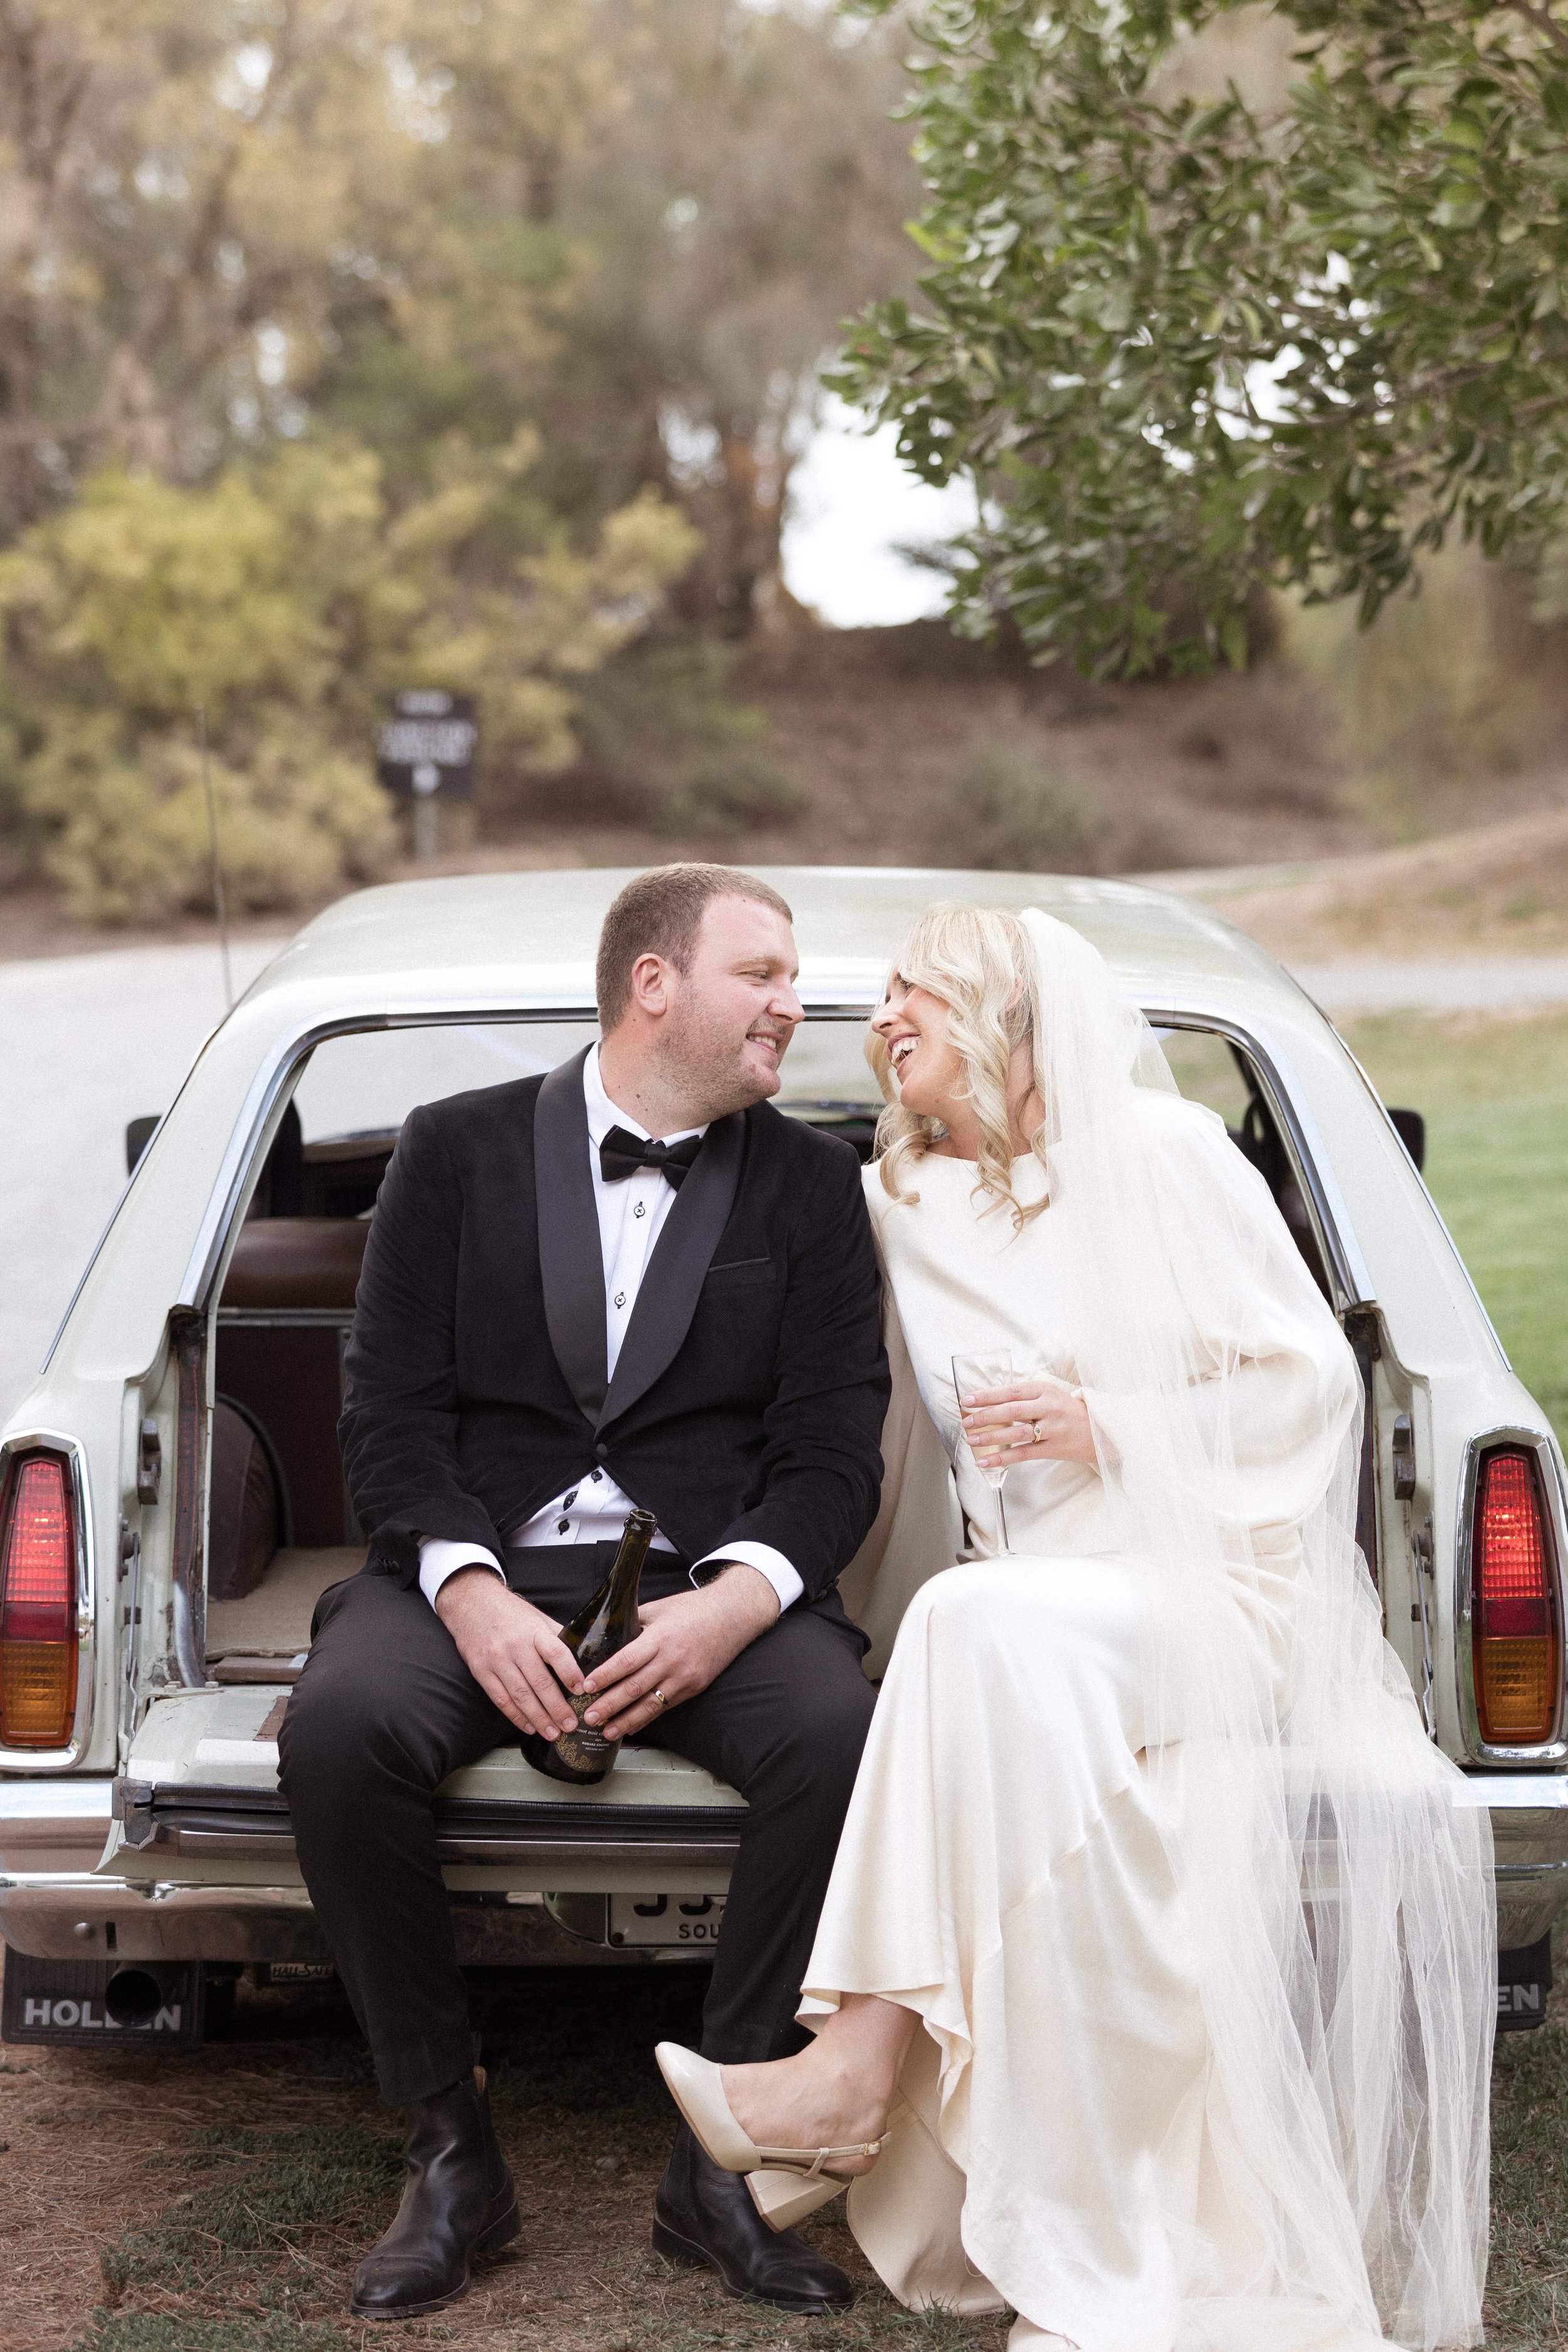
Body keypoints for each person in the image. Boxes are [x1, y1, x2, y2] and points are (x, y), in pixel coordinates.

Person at [656, 904, 1496, 2352]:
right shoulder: (900, 1196)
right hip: (1032, 1607)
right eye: (888, 996)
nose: (883, 1015)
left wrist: (1109, 1426)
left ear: (1004, 1017)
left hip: (1213, 1587)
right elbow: (874, 1427)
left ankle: (844, 2068)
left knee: (971, 1627)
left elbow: (1311, 1391)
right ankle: (933, 2133)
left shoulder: (1160, 1157)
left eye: (917, 989)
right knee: (966, 1625)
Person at [277, 864, 889, 2320]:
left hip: (704, 1578)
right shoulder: (452, 1150)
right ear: (652, 984)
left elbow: (829, 1454)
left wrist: (737, 1599)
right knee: (337, 1729)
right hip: (479, 1564)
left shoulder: (810, 1185)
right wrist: (467, 1587)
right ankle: (447, 2148)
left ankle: (717, 2164)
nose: (789, 1007)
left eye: (791, 980)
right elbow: (389, 1417)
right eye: (761, 974)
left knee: (837, 1736)